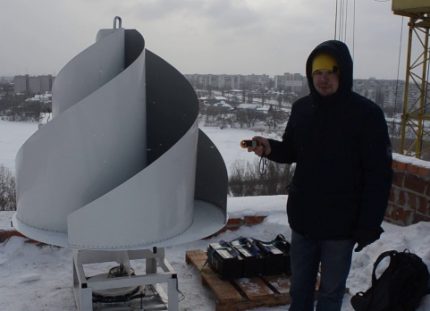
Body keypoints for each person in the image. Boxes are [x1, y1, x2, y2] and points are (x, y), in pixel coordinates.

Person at [248, 40, 393, 311]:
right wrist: (269, 148)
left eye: (331, 71)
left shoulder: (366, 114)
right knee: (299, 290)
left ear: (343, 73)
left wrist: (368, 224)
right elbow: (292, 149)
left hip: (341, 226)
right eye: (317, 72)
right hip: (304, 220)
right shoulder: (302, 108)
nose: (323, 79)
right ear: (310, 74)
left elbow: (379, 175)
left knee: (329, 294)